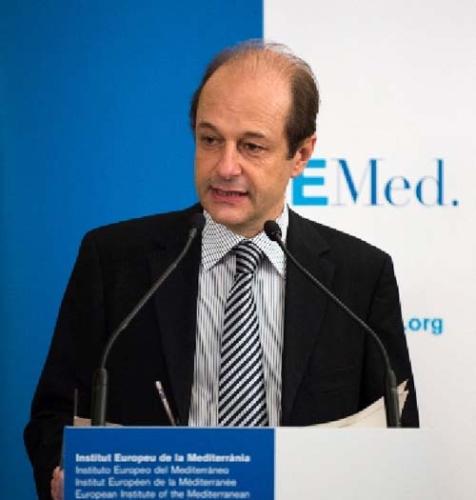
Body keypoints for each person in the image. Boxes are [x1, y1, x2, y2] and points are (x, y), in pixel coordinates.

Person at [24, 40, 419, 499]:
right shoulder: (113, 261)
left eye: (252, 146)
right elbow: (52, 417)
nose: (225, 167)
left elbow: (397, 434)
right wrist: (62, 474)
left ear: (301, 154)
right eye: (210, 140)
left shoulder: (360, 278)